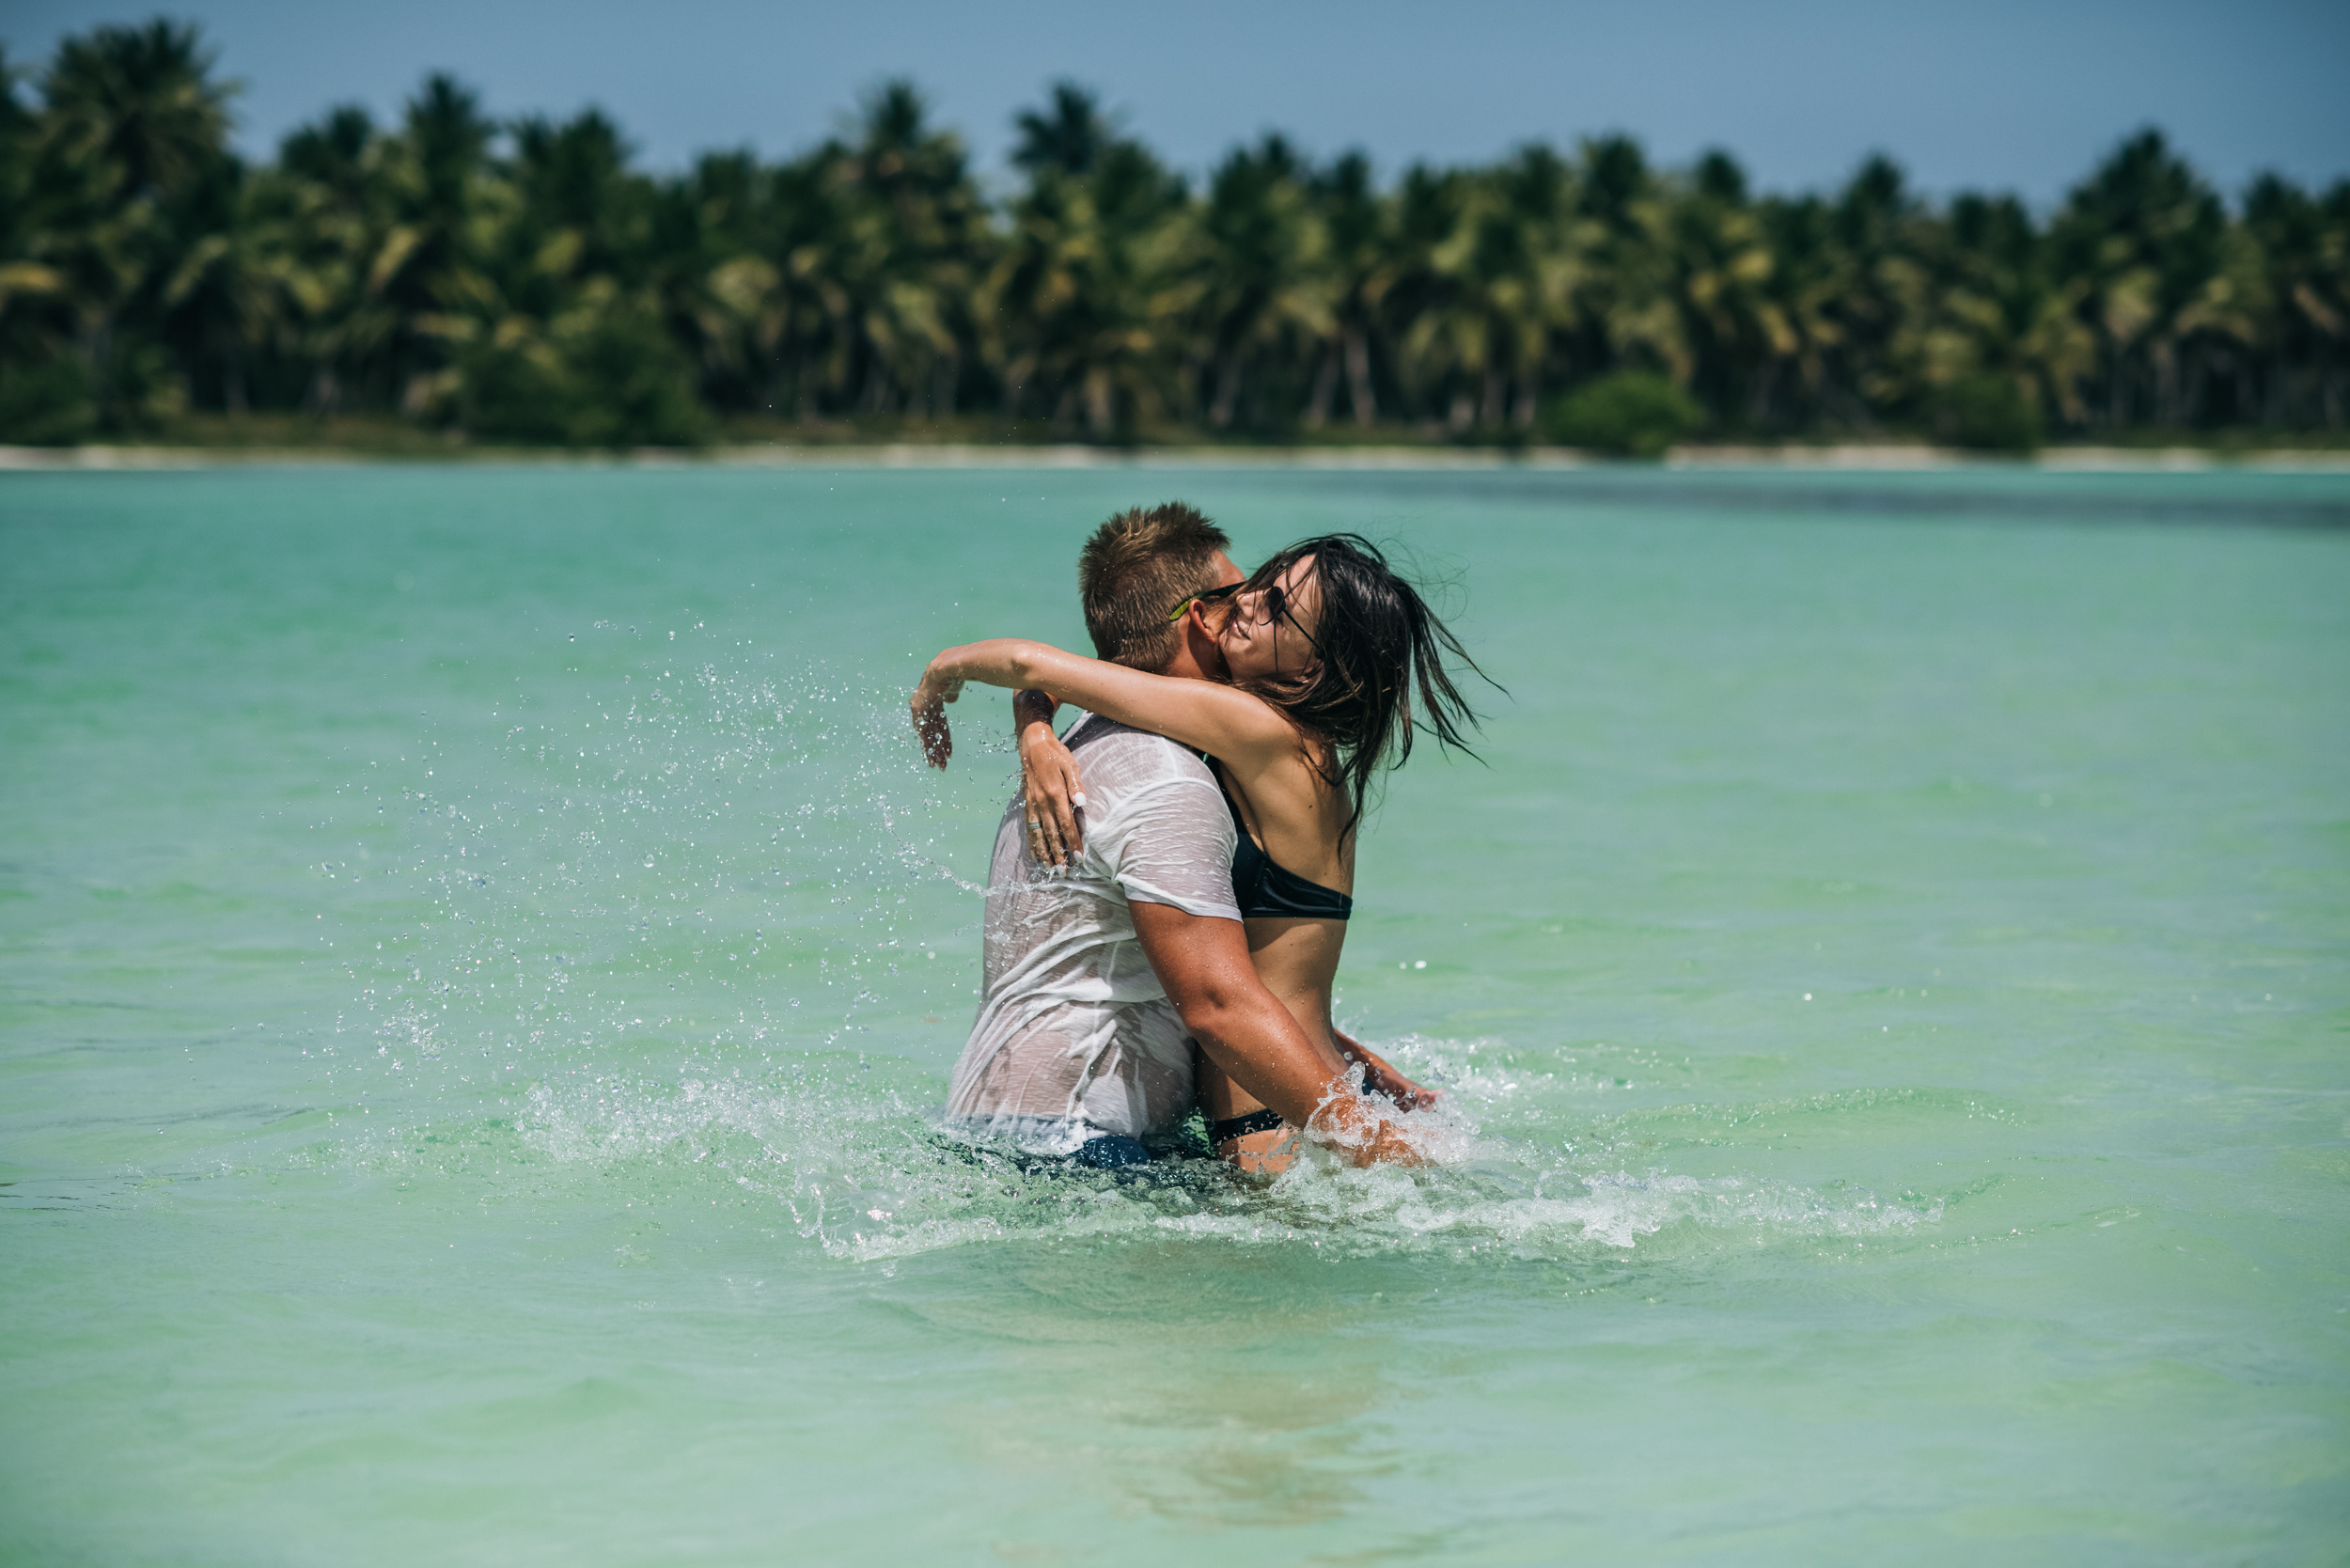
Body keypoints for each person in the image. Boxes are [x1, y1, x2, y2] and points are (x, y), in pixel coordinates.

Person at [914, 504, 1484, 1171]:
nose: (1243, 605)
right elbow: (1283, 969)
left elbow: (1034, 662)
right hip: (1299, 1090)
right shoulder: (1270, 749)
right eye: (1256, 585)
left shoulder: (1259, 733)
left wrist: (945, 671)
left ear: (1313, 669)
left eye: (1276, 606)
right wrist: (1034, 726)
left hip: (1275, 1110)